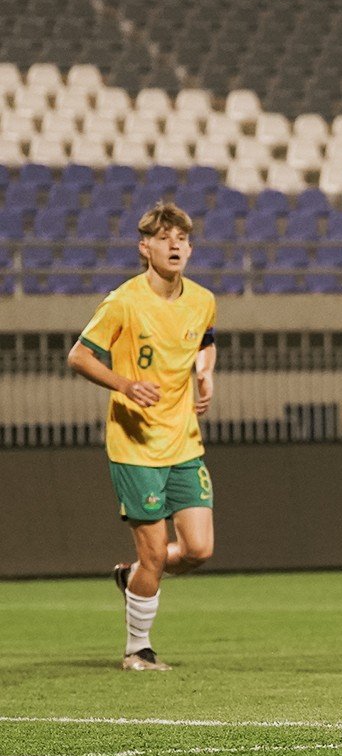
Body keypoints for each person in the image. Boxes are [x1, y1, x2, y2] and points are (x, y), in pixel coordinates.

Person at [66, 202, 218, 672]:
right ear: (145, 247)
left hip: (184, 442)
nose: (175, 244)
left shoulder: (203, 299)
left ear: (189, 249)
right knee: (153, 554)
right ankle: (138, 649)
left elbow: (205, 341)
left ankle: (133, 578)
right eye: (164, 237)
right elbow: (79, 356)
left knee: (198, 550)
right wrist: (126, 385)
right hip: (135, 447)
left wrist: (205, 373)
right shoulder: (124, 302)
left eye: (182, 238)